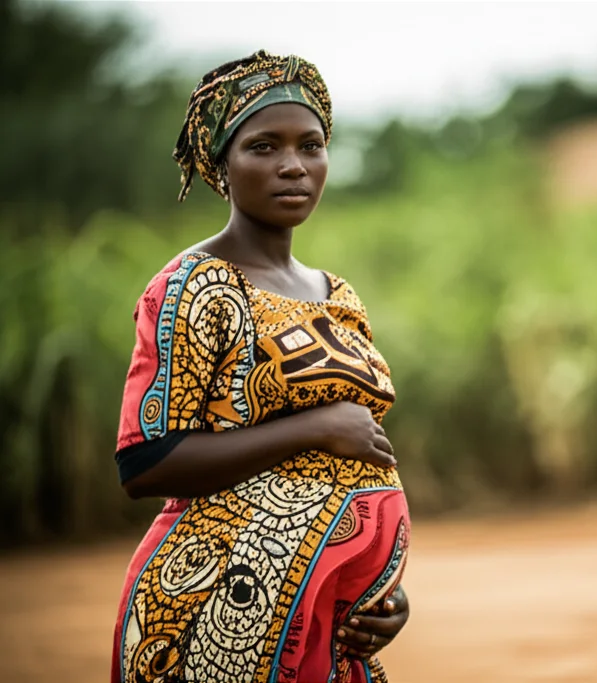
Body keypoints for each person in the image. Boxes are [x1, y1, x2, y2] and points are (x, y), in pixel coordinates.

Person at [110, 50, 411, 683]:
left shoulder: (339, 295)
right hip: (220, 614)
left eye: (311, 145)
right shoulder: (196, 287)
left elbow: (352, 463)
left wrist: (382, 594)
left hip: (326, 621)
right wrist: (316, 427)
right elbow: (144, 463)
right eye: (263, 146)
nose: (293, 165)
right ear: (222, 165)